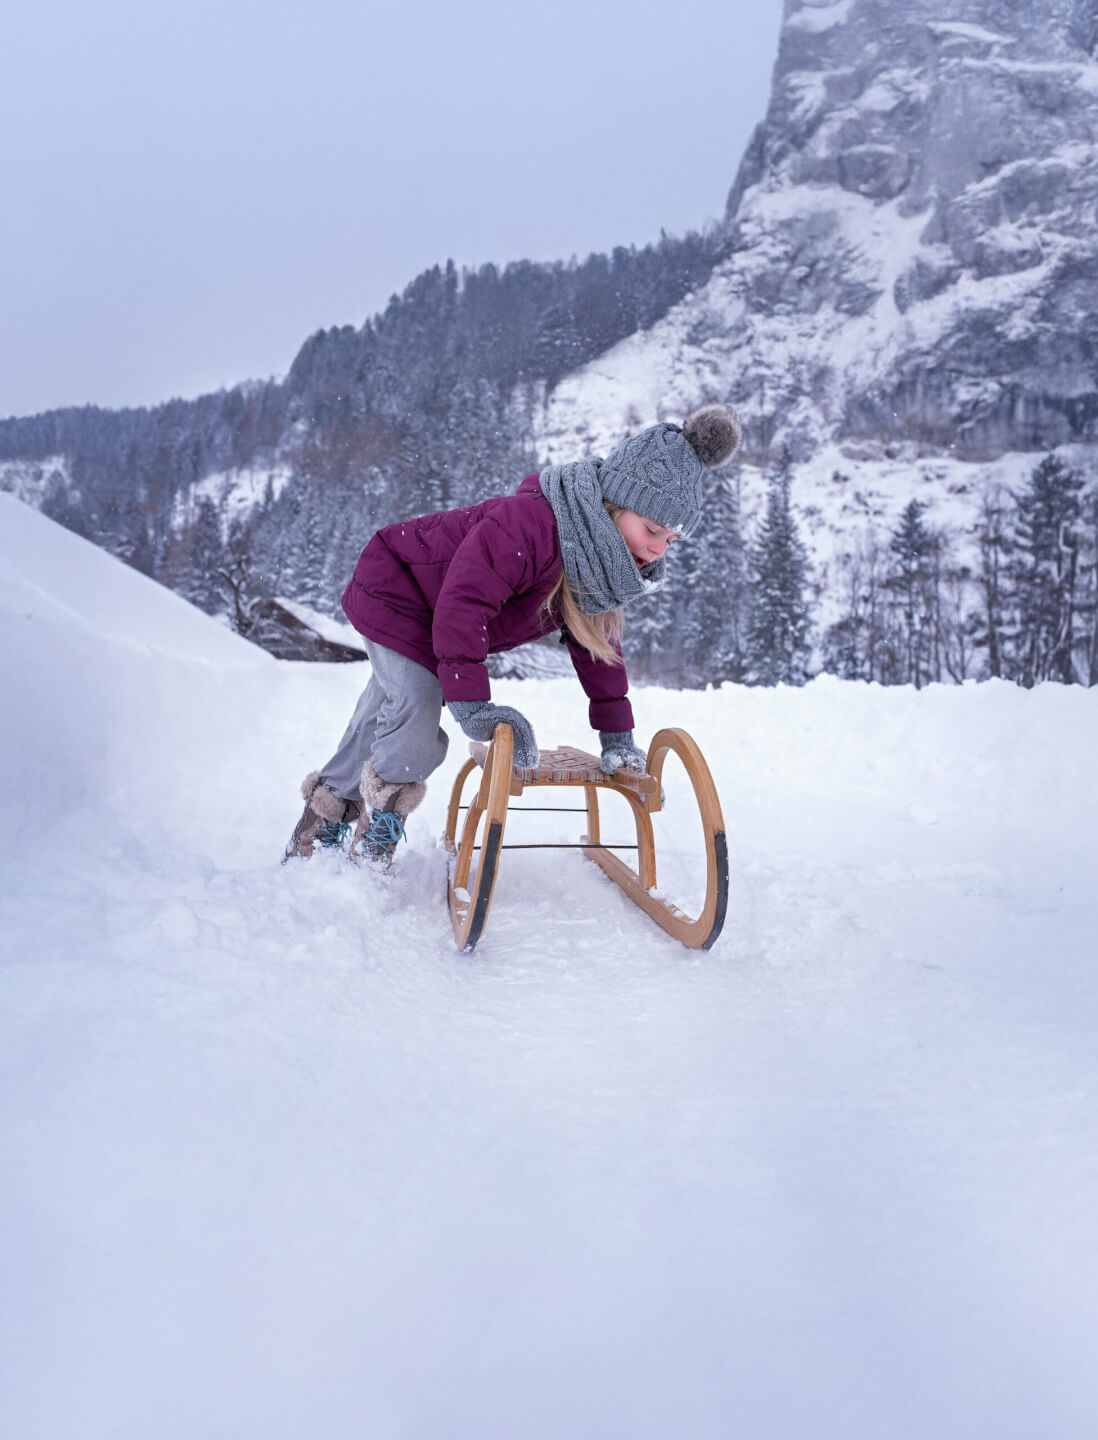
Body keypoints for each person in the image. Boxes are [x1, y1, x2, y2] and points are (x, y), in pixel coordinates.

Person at [284, 404, 742, 864]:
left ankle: (319, 821)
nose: (658, 549)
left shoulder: (599, 565)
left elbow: (598, 649)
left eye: (670, 540)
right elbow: (465, 604)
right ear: (615, 504)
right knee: (416, 709)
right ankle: (368, 854)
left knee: (387, 708)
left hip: (436, 613)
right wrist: (475, 708)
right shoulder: (531, 525)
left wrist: (617, 738)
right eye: (652, 530)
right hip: (397, 589)